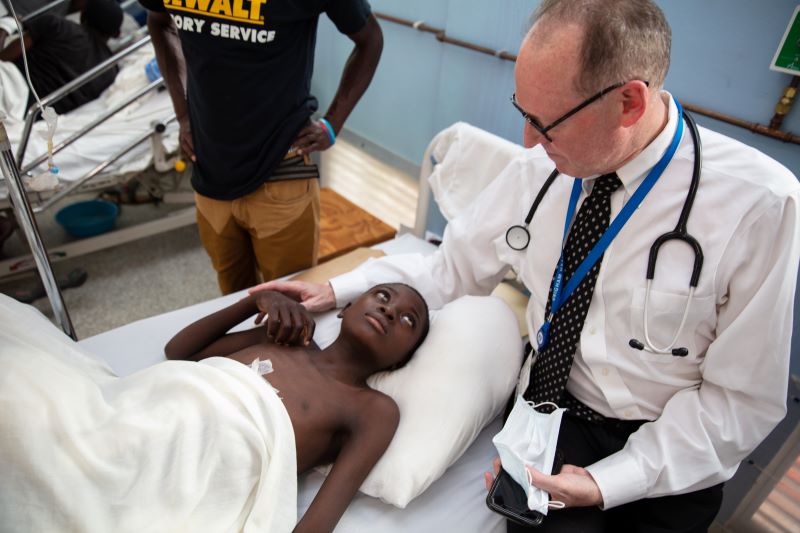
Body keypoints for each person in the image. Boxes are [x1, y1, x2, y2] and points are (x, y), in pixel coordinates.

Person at [249, 0, 800, 531]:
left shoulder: (758, 205)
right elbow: (450, 270)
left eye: (545, 122)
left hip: (677, 443)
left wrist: (609, 482)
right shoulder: (539, 170)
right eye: (523, 111)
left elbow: (739, 402)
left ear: (629, 103)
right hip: (550, 414)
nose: (528, 141)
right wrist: (337, 289)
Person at [139, 0, 383, 295]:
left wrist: (332, 124)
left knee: (291, 302)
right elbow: (158, 21)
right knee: (234, 301)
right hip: (210, 170)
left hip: (281, 168)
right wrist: (183, 115)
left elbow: (370, 39)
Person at [165, 283, 430, 533]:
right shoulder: (284, 337)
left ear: (400, 362)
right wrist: (256, 301)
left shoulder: (372, 409)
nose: (389, 310)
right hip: (166, 413)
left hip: (195, 478)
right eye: (383, 296)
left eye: (408, 320)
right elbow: (178, 351)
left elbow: (318, 522)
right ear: (346, 309)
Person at [0, 0, 123, 114]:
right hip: (39, 119)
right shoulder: (111, 71)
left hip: (8, 93)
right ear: (117, 34)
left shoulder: (56, 24)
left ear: (82, 15)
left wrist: (5, 27)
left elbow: (4, 57)